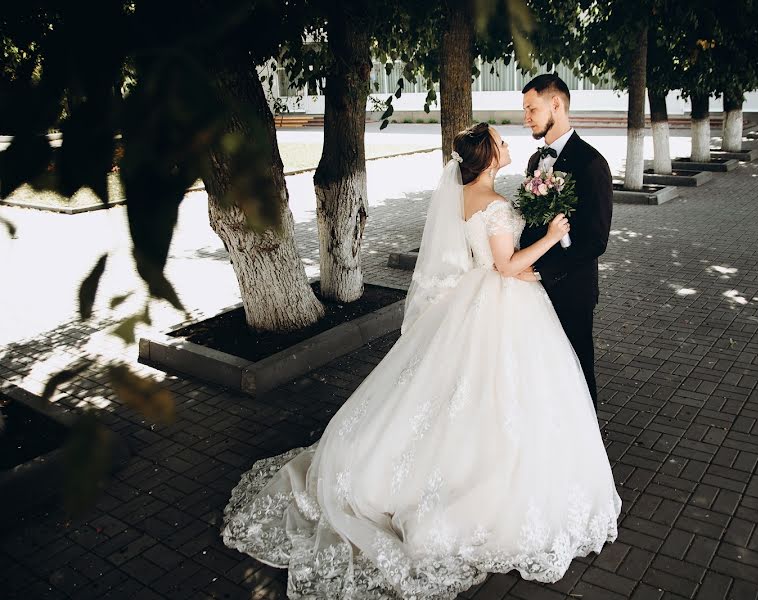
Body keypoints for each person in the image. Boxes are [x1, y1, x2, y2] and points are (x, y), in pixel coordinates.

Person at [221, 123, 621, 600]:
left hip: (478, 299)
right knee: (496, 392)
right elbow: (507, 267)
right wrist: (553, 234)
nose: (511, 143)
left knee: (460, 392)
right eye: (502, 140)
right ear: (490, 156)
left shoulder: (473, 195)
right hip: (501, 298)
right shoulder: (491, 204)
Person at [519, 74, 615, 402]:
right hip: (532, 289)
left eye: (531, 108)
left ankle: (587, 446)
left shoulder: (591, 163)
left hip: (571, 289)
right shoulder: (535, 161)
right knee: (544, 371)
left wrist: (544, 271)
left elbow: (596, 240)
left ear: (555, 105)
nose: (526, 117)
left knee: (577, 370)